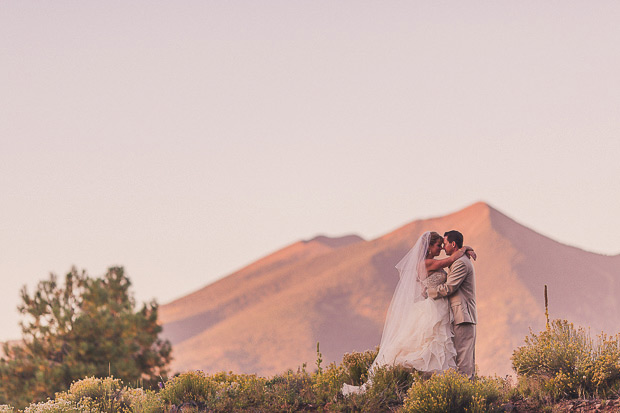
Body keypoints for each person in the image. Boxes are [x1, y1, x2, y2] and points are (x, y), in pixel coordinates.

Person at [341, 231, 474, 395]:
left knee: (436, 348)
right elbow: (451, 260)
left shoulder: (429, 262)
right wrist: (465, 248)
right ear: (429, 247)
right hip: (433, 309)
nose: (440, 248)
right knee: (430, 346)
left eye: (442, 245)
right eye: (438, 245)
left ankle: (435, 389)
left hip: (438, 308)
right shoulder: (426, 263)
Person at [427, 230, 477, 379]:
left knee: (464, 356)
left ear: (453, 244)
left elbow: (449, 288)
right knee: (460, 355)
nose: (443, 247)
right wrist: (465, 248)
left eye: (445, 244)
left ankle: (465, 389)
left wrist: (429, 292)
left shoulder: (461, 263)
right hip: (456, 315)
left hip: (463, 315)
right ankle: (463, 388)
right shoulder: (457, 261)